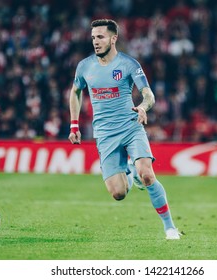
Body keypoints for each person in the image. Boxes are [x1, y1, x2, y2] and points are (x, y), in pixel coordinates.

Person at [68, 19, 182, 240]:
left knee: (147, 174)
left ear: (113, 38)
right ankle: (130, 172)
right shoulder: (84, 66)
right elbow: (75, 91)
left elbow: (149, 95)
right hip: (105, 134)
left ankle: (169, 227)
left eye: (100, 37)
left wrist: (142, 107)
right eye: (93, 38)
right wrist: (74, 124)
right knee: (118, 193)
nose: (95, 42)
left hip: (131, 126)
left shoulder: (129, 64)